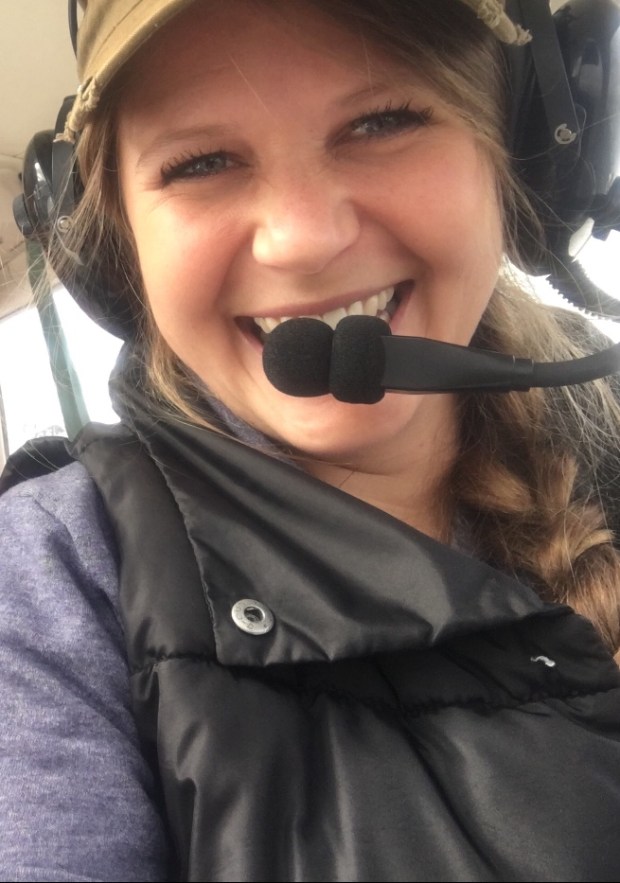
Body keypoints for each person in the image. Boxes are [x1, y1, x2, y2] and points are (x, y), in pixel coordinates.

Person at [2, 0, 620, 880]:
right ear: (117, 249)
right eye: (202, 162)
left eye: (382, 121)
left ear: (518, 149)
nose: (303, 240)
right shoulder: (54, 578)